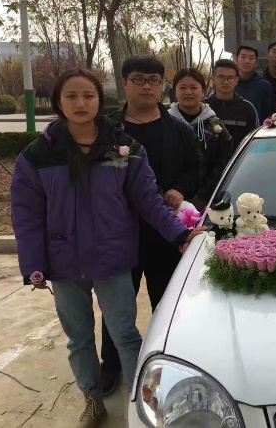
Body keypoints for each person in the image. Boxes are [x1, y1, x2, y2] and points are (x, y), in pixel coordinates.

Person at [11, 68, 204, 427]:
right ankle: (92, 399)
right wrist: (33, 263)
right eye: (71, 96)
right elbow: (27, 216)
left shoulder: (124, 148)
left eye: (88, 95)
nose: (80, 103)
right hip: (63, 263)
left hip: (112, 259)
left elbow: (149, 201)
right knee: (79, 339)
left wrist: (181, 234)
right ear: (58, 102)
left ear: (100, 100)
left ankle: (143, 404)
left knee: (126, 335)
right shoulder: (37, 156)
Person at [100, 55, 204, 396]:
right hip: (119, 233)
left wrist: (180, 188)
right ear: (124, 84)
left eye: (153, 80)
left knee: (168, 303)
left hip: (165, 233)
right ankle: (111, 365)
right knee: (117, 306)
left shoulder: (178, 130)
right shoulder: (106, 129)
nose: (146, 86)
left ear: (162, 86)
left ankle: (172, 362)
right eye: (138, 79)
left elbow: (196, 168)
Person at [169, 68, 234, 208]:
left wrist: (203, 196)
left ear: (203, 92)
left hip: (207, 201)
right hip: (170, 199)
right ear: (175, 92)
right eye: (182, 88)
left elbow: (223, 163)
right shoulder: (165, 123)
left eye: (194, 87)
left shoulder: (215, 125)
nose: (188, 92)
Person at [205, 59, 259, 150]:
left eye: (230, 78)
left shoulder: (247, 108)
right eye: (221, 77)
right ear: (213, 80)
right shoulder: (204, 107)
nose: (226, 82)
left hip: (240, 158)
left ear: (236, 81)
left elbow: (254, 141)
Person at [234, 45, 275, 120]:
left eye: (251, 58)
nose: (247, 61)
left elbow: (269, 113)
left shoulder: (264, 85)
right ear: (236, 60)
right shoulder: (229, 83)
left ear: (256, 63)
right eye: (243, 57)